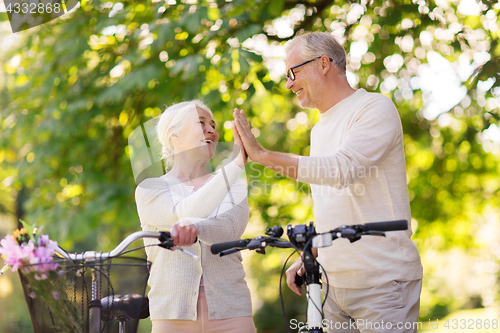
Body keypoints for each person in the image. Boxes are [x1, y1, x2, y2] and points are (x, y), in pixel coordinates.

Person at [233, 32, 423, 333]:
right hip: (333, 285)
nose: (289, 84)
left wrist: (261, 155)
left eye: (293, 73)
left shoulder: (374, 108)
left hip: (381, 282)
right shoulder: (319, 131)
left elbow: (341, 170)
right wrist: (314, 250)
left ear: (323, 63)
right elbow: (335, 202)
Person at [135, 100, 256, 333]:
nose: (212, 130)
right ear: (174, 135)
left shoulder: (234, 186)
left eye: (213, 125)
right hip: (171, 317)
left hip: (232, 314)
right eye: (201, 123)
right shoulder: (150, 188)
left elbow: (229, 229)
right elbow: (182, 212)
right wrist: (235, 164)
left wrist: (195, 230)